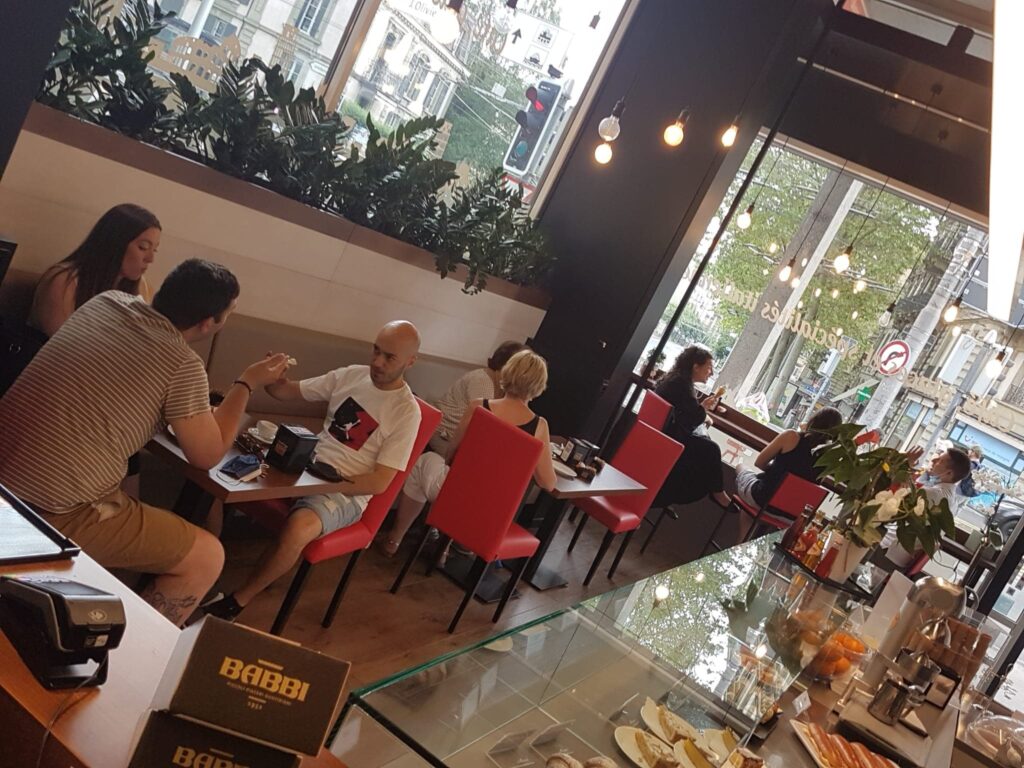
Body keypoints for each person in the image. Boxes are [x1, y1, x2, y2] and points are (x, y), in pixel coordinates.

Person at [0, 259, 289, 625]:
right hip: (42, 510)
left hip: (8, 475)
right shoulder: (182, 365)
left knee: (122, 493)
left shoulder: (106, 302)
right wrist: (247, 382)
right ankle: (129, 652)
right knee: (207, 557)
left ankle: (74, 610)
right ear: (207, 323)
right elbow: (207, 455)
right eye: (229, 312)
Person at [203, 321, 423, 621]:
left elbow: (379, 482)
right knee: (218, 475)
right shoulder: (352, 375)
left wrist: (323, 484)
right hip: (304, 466)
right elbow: (287, 392)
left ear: (410, 361)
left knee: (299, 528)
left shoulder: (407, 413)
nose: (377, 362)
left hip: (345, 490)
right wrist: (274, 378)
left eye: (389, 357)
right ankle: (205, 569)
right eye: (376, 351)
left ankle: (237, 602)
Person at [383, 349, 558, 556]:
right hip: (492, 513)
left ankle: (394, 539)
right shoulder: (539, 427)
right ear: (539, 386)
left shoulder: (479, 407)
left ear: (507, 372)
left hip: (456, 497)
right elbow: (548, 483)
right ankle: (443, 550)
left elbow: (452, 453)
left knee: (424, 462)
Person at [29, 204, 162, 337]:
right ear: (115, 243)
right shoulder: (65, 281)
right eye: (143, 247)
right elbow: (62, 344)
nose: (150, 259)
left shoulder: (141, 288)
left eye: (154, 250)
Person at [733, 407, 842, 539]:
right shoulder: (830, 457)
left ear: (813, 421)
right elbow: (813, 483)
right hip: (791, 516)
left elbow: (759, 463)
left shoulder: (791, 436)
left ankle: (742, 541)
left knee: (741, 467)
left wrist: (778, 473)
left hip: (763, 499)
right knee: (756, 496)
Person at [654, 346, 731, 508]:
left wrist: (702, 409)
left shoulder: (676, 380)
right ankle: (716, 492)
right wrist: (704, 408)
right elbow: (691, 419)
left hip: (659, 432)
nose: (711, 373)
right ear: (696, 366)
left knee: (704, 451)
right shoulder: (681, 384)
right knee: (711, 450)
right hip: (668, 438)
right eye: (709, 367)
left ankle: (662, 496)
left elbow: (686, 414)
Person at [431, 340, 528, 455]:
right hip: (443, 435)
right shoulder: (483, 381)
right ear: (503, 365)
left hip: (457, 440)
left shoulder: (503, 388)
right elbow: (487, 428)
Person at [883, 446, 973, 568]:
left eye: (940, 460)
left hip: (891, 551)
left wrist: (906, 463)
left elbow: (892, 500)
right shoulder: (952, 499)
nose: (934, 460)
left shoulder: (934, 494)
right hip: (904, 554)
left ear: (949, 473)